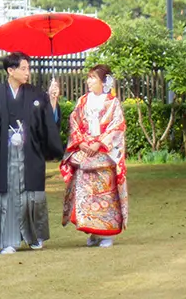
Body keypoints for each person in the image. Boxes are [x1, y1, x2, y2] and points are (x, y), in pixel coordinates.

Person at [0, 51, 62, 255]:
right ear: (10, 70)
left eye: (28, 68)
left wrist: (51, 100)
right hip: (4, 152)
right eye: (23, 68)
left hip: (30, 151)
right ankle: (8, 240)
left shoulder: (36, 94)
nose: (27, 72)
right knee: (7, 195)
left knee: (32, 195)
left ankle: (36, 237)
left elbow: (49, 122)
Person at [61, 63, 129, 246]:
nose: (89, 81)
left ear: (104, 82)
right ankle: (93, 231)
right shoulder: (82, 101)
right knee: (86, 194)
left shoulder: (112, 102)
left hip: (104, 154)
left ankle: (107, 232)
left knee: (105, 194)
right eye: (89, 77)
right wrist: (81, 142)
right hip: (85, 152)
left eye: (93, 78)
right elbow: (74, 122)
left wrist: (99, 142)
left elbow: (118, 125)